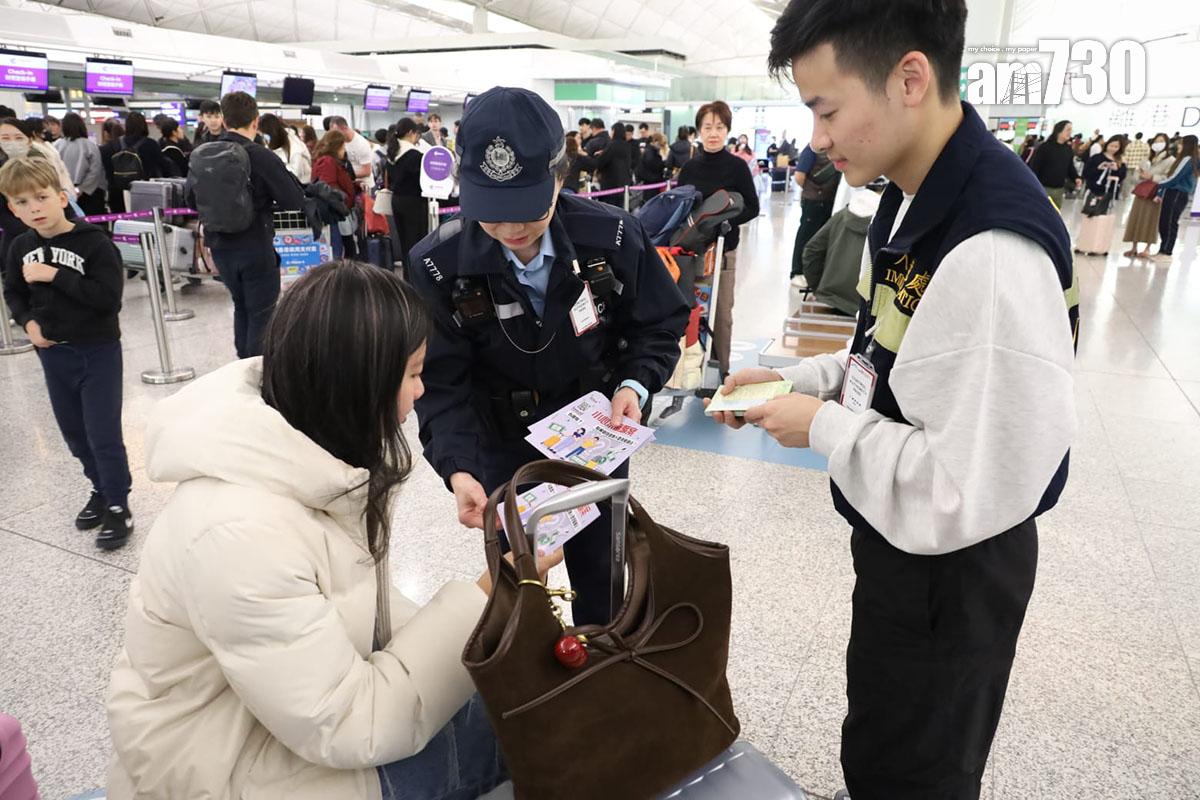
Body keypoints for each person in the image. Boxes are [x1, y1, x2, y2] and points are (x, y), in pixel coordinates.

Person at [715, 2, 1077, 799]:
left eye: (827, 109)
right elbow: (886, 351)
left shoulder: (988, 250)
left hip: (951, 569)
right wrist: (797, 382)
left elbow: (961, 487)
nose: (817, 138)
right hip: (900, 544)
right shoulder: (913, 194)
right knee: (880, 738)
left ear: (909, 78)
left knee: (917, 770)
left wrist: (823, 427)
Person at [105, 261, 550, 800]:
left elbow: (354, 609)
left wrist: (490, 613)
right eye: (412, 374)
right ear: (360, 383)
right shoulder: (238, 534)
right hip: (221, 768)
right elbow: (350, 725)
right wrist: (489, 600)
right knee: (532, 729)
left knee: (520, 693)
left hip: (278, 725)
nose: (421, 391)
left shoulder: (313, 454)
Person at [406, 86, 688, 626]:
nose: (512, 229)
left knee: (601, 582)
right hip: (500, 443)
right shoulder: (439, 265)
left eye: (527, 209)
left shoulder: (612, 237)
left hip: (594, 437)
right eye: (492, 213)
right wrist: (457, 468)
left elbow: (658, 323)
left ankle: (601, 662)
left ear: (560, 176)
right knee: (516, 585)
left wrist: (635, 384)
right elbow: (442, 382)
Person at [0, 156, 133, 550]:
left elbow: (108, 299)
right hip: (54, 356)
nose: (34, 208)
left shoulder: (94, 243)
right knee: (74, 433)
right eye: (22, 202)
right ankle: (100, 489)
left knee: (103, 433)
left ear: (61, 197)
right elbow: (14, 292)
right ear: (12, 209)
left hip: (97, 351)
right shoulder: (20, 246)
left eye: (41, 197)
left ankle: (119, 503)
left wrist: (56, 275)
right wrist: (28, 322)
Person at [187, 92, 305, 359]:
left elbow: (191, 199)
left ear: (224, 121)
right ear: (255, 121)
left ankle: (242, 364)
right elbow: (293, 199)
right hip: (255, 245)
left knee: (241, 305)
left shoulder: (202, 155)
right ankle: (257, 371)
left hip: (219, 247)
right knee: (262, 313)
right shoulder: (260, 156)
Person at [676, 100, 761, 376]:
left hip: (724, 251)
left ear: (727, 130)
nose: (713, 133)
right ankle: (691, 369)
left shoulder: (737, 167)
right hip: (693, 252)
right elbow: (681, 207)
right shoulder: (690, 168)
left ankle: (721, 371)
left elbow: (752, 206)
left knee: (721, 313)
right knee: (692, 310)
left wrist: (727, 222)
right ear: (699, 130)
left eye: (720, 127)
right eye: (708, 127)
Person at [801, 182, 884, 316]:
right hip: (863, 307)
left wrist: (819, 287)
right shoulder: (886, 224)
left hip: (829, 300)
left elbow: (811, 251)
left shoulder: (840, 216)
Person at [384, 118, 429, 268]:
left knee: (404, 242)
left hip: (397, 201)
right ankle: (417, 276)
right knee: (417, 242)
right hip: (414, 202)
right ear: (411, 132)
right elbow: (423, 181)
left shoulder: (391, 153)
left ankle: (407, 276)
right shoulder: (414, 155)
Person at [1123, 132, 1174, 259]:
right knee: (1136, 217)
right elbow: (1136, 174)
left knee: (1151, 219)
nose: (1158, 144)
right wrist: (1139, 176)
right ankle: (1134, 247)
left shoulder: (1170, 160)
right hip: (1141, 192)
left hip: (1155, 193)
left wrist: (1152, 177)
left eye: (1161, 141)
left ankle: (1147, 248)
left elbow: (1168, 178)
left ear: (1166, 144)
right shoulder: (1146, 158)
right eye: (1156, 141)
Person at [0, 118, 77, 202]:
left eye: (19, 138)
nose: (13, 143)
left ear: (29, 140)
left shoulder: (37, 160)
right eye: (5, 138)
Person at [311, 131, 359, 260]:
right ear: (337, 146)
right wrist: (343, 200)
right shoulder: (328, 162)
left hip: (336, 213)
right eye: (343, 146)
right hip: (335, 215)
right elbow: (328, 188)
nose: (344, 150)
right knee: (340, 252)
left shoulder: (328, 161)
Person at [1153, 134, 1197, 262]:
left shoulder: (1188, 159)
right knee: (1165, 221)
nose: (1179, 146)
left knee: (1170, 222)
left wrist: (1158, 184)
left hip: (1177, 194)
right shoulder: (1183, 159)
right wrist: (1161, 191)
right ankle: (1162, 250)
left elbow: (1175, 178)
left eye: (1181, 143)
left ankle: (1167, 252)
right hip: (1172, 193)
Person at [54, 112, 107, 217]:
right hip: (90, 193)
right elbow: (95, 170)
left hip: (64, 191)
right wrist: (81, 189)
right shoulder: (90, 145)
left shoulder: (57, 145)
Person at [1026, 119, 1082, 208]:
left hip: (1059, 190)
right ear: (1059, 131)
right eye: (1068, 130)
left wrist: (1076, 177)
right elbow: (1035, 167)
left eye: (1071, 130)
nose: (1070, 132)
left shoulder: (1067, 149)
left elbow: (1069, 167)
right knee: (1040, 211)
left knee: (1055, 213)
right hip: (1043, 188)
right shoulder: (1045, 147)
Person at [579, 122, 633, 208]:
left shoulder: (612, 144)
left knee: (609, 209)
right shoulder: (627, 145)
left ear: (615, 131)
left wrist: (596, 156)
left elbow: (601, 162)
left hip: (611, 184)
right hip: (624, 184)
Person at [259, 113, 311, 183]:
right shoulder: (273, 143)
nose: (264, 139)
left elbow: (294, 174)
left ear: (272, 132)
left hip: (299, 184)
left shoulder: (294, 146)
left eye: (264, 135)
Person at [329, 116, 375, 190]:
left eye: (337, 133)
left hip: (364, 186)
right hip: (349, 184)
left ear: (344, 128)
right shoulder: (340, 141)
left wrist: (345, 175)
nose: (335, 136)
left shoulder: (362, 144)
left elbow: (367, 171)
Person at [98, 118, 126, 213]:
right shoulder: (129, 147)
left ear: (106, 133)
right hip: (130, 188)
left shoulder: (103, 149)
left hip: (113, 190)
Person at [637, 132, 669, 200]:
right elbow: (654, 165)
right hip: (652, 182)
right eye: (660, 144)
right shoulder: (651, 153)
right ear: (655, 141)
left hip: (650, 182)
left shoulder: (649, 151)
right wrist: (663, 164)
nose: (661, 147)